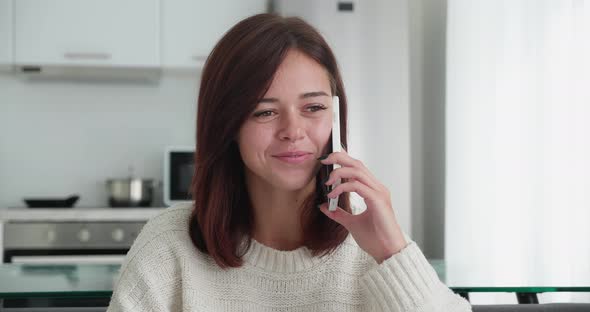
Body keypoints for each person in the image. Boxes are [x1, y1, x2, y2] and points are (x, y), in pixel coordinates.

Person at [107, 13, 472, 312]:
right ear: (227, 124)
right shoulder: (169, 246)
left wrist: (393, 252)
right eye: (265, 112)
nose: (293, 131)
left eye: (313, 108)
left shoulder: (373, 241)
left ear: (336, 116)